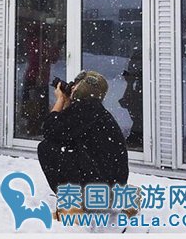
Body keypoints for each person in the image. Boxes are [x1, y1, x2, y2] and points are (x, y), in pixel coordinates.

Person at [37, 70, 129, 205]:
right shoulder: (93, 109)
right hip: (112, 184)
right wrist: (68, 103)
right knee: (66, 146)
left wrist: (60, 100)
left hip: (101, 189)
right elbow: (66, 132)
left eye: (75, 85)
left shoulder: (86, 108)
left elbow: (49, 129)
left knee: (46, 148)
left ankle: (74, 200)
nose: (71, 87)